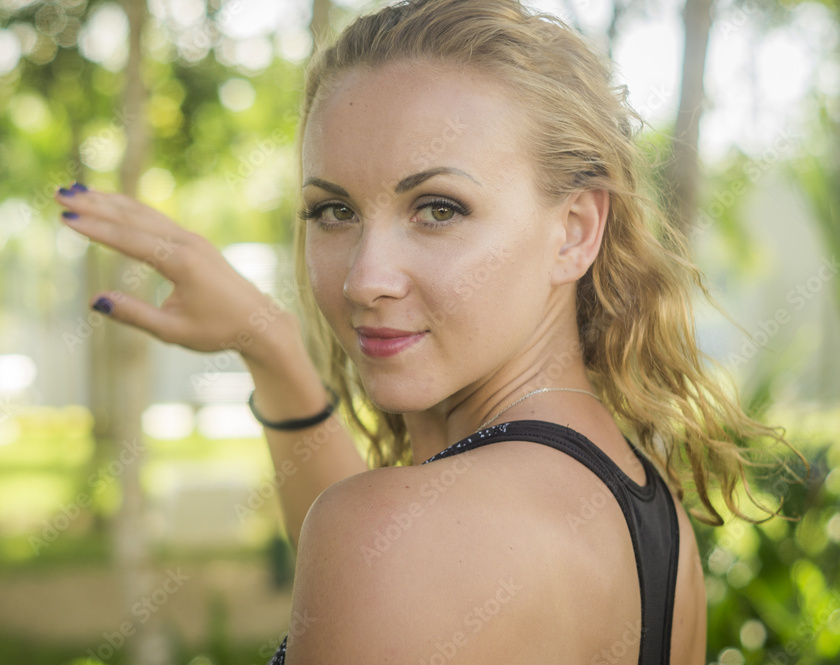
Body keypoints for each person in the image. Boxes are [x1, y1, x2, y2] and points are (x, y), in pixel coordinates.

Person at [53, 0, 805, 662]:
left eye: (438, 209)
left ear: (575, 230)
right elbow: (383, 573)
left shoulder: (411, 533)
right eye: (333, 211)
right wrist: (269, 343)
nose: (365, 278)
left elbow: (389, 557)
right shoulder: (644, 508)